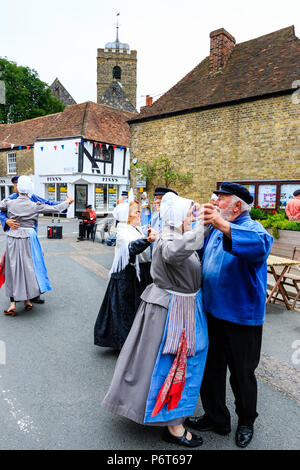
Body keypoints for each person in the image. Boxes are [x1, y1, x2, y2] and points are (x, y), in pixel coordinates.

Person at [101, 192, 209, 447]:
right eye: (190, 213)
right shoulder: (171, 237)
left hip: (173, 307)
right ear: (179, 216)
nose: (192, 217)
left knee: (157, 361)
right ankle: (173, 425)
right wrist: (201, 229)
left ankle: (158, 412)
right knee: (175, 362)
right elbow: (173, 254)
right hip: (174, 309)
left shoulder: (174, 234)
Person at [185, 182, 273, 448]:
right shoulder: (215, 229)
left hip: (241, 318)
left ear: (237, 205)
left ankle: (246, 420)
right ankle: (216, 417)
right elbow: (196, 254)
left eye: (221, 199)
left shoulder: (253, 229)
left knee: (242, 373)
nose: (216, 202)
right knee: (211, 369)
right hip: (212, 312)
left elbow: (260, 246)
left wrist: (221, 224)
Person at [0, 175, 73, 316]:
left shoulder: (9, 202)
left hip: (13, 238)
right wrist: (67, 202)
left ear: (18, 187)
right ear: (29, 189)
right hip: (29, 238)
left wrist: (8, 219)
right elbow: (55, 208)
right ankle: (27, 300)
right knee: (30, 268)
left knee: (13, 269)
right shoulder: (34, 205)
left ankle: (14, 303)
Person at [94, 199, 156, 350]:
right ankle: (126, 345)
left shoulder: (132, 228)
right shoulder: (122, 232)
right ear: (128, 216)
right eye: (136, 212)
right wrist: (147, 240)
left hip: (138, 274)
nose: (139, 214)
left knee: (134, 310)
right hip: (126, 277)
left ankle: (133, 341)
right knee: (125, 312)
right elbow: (131, 248)